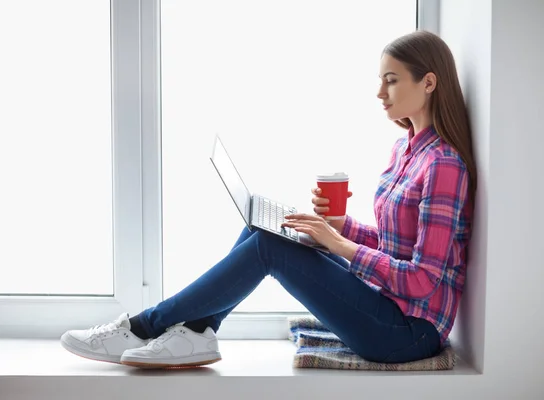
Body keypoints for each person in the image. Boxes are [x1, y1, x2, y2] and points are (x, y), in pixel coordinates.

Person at [60, 30, 476, 369]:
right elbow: (395, 246)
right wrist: (337, 228)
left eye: (391, 80)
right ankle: (197, 334)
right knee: (262, 228)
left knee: (267, 246)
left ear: (428, 82)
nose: (379, 92)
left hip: (408, 332)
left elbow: (423, 279)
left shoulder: (443, 165)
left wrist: (340, 245)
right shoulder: (405, 150)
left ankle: (143, 327)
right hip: (386, 306)